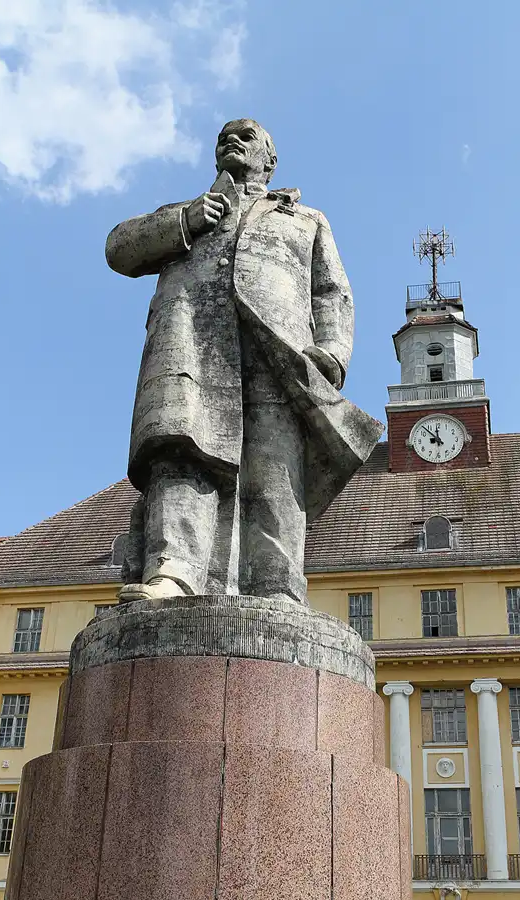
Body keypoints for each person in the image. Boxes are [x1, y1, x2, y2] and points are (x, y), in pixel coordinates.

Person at [106, 118, 382, 604]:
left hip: (279, 350)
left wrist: (334, 353)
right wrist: (184, 222)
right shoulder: (187, 212)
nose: (231, 140)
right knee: (181, 453)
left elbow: (332, 292)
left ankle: (276, 586)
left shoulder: (306, 218)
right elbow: (119, 248)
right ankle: (172, 572)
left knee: (274, 467)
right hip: (192, 342)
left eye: (246, 135)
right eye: (223, 137)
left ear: (270, 160)